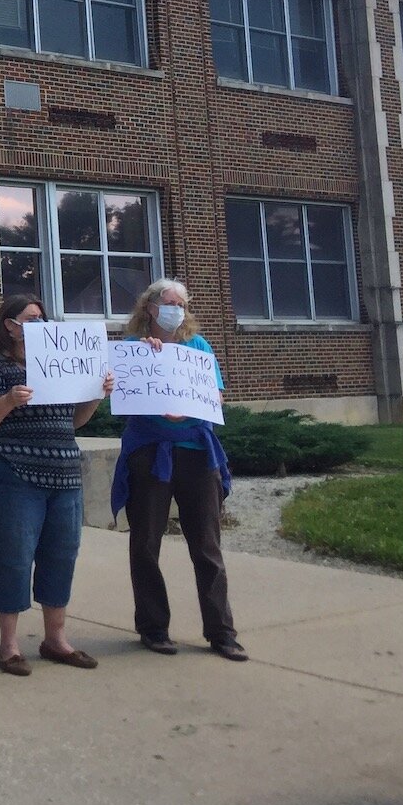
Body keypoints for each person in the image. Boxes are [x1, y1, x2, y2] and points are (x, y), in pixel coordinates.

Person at [0, 295, 113, 676]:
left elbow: (75, 421)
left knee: (61, 555)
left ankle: (55, 639)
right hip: (11, 474)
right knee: (12, 556)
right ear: (10, 326)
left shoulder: (59, 366)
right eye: (31, 318)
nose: (40, 323)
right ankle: (9, 645)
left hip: (63, 472)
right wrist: (9, 401)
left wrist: (96, 392)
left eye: (43, 318)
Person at [113, 279, 245, 661]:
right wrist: (145, 358)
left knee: (207, 545)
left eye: (182, 304)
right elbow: (118, 393)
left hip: (196, 454)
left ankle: (222, 631)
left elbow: (215, 394)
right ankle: (153, 628)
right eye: (169, 303)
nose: (176, 310)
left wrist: (188, 409)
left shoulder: (197, 347)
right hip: (149, 452)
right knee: (146, 542)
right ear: (150, 307)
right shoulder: (131, 349)